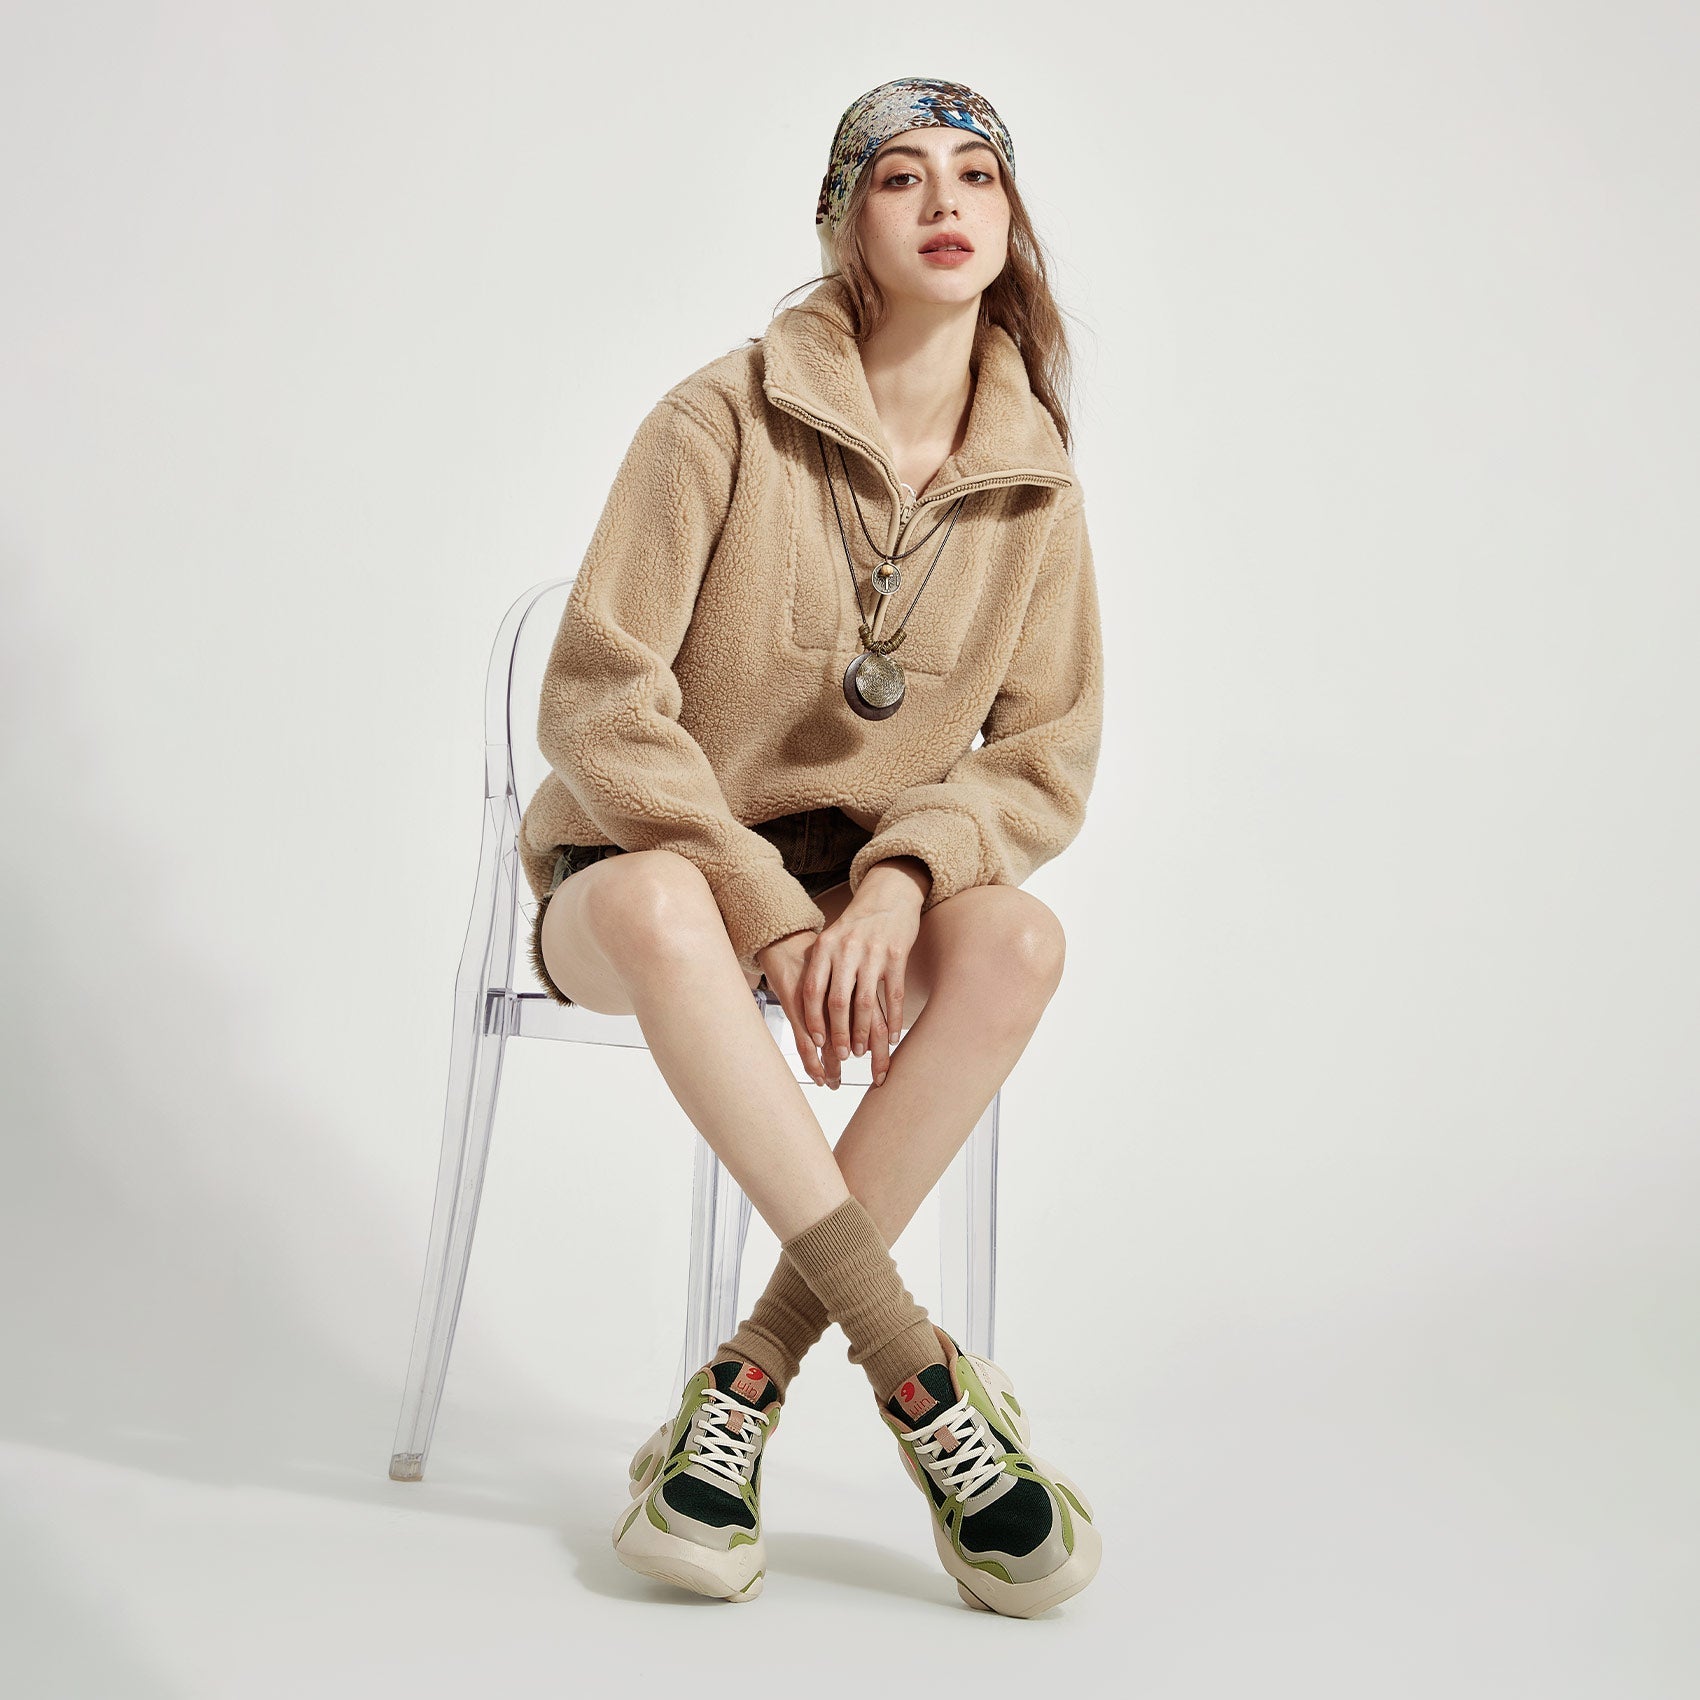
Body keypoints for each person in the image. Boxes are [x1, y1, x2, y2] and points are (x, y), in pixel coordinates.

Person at [519, 76, 1105, 1616]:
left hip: (858, 891)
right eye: (902, 176)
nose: (946, 202)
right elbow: (597, 697)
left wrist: (902, 879)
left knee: (1019, 938)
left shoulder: (1034, 484)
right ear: (846, 222)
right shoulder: (718, 417)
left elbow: (1043, 757)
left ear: (1011, 219)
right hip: (636, 873)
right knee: (667, 902)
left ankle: (745, 1384)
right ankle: (919, 1373)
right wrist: (760, 900)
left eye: (977, 174)